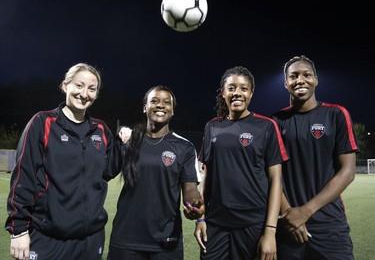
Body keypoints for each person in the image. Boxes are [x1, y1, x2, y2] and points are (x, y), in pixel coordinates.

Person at [5, 63, 126, 260]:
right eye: (79, 85)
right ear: (65, 86)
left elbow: (107, 171)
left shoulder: (101, 130)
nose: (84, 93)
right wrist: (18, 230)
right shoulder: (42, 122)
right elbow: (23, 177)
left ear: (96, 94)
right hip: (48, 238)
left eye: (91, 89)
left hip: (90, 240)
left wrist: (122, 144)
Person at [194, 66, 288, 260]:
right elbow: (206, 175)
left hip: (253, 224)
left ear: (251, 93)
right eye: (232, 88)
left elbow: (276, 180)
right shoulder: (212, 126)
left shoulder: (266, 126)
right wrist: (200, 218)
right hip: (215, 224)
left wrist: (270, 231)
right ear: (223, 93)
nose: (237, 93)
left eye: (244, 88)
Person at [272, 55, 359, 260]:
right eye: (293, 76)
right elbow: (272, 174)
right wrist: (290, 214)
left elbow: (348, 172)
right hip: (289, 225)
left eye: (306, 75)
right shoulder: (276, 121)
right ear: (286, 83)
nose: (300, 80)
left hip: (329, 224)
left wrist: (306, 211)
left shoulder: (336, 114)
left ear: (316, 79)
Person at [106, 85, 204, 260]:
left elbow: (190, 188)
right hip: (126, 238)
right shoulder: (128, 141)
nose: (161, 105)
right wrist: (119, 137)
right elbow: (101, 173)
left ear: (172, 111)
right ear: (145, 107)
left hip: (166, 242)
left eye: (167, 102)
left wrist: (194, 204)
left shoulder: (185, 147)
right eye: (154, 101)